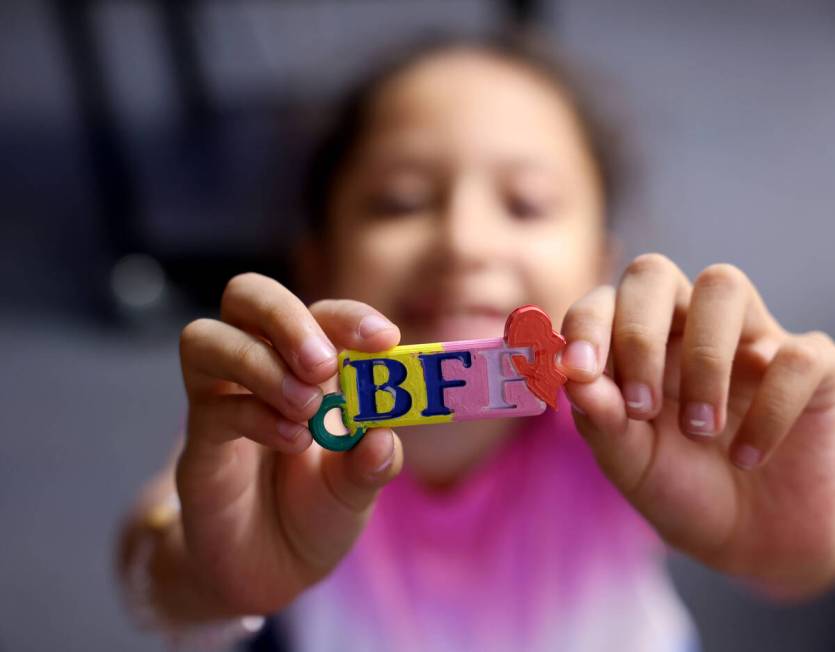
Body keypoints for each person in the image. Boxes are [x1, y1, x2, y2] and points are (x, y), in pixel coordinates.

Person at [116, 33, 835, 651]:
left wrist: (794, 538)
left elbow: (792, 565)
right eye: (399, 200)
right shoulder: (284, 420)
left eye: (525, 204)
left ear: (596, 264)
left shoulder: (639, 415)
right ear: (318, 265)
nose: (463, 242)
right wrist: (207, 581)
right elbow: (151, 553)